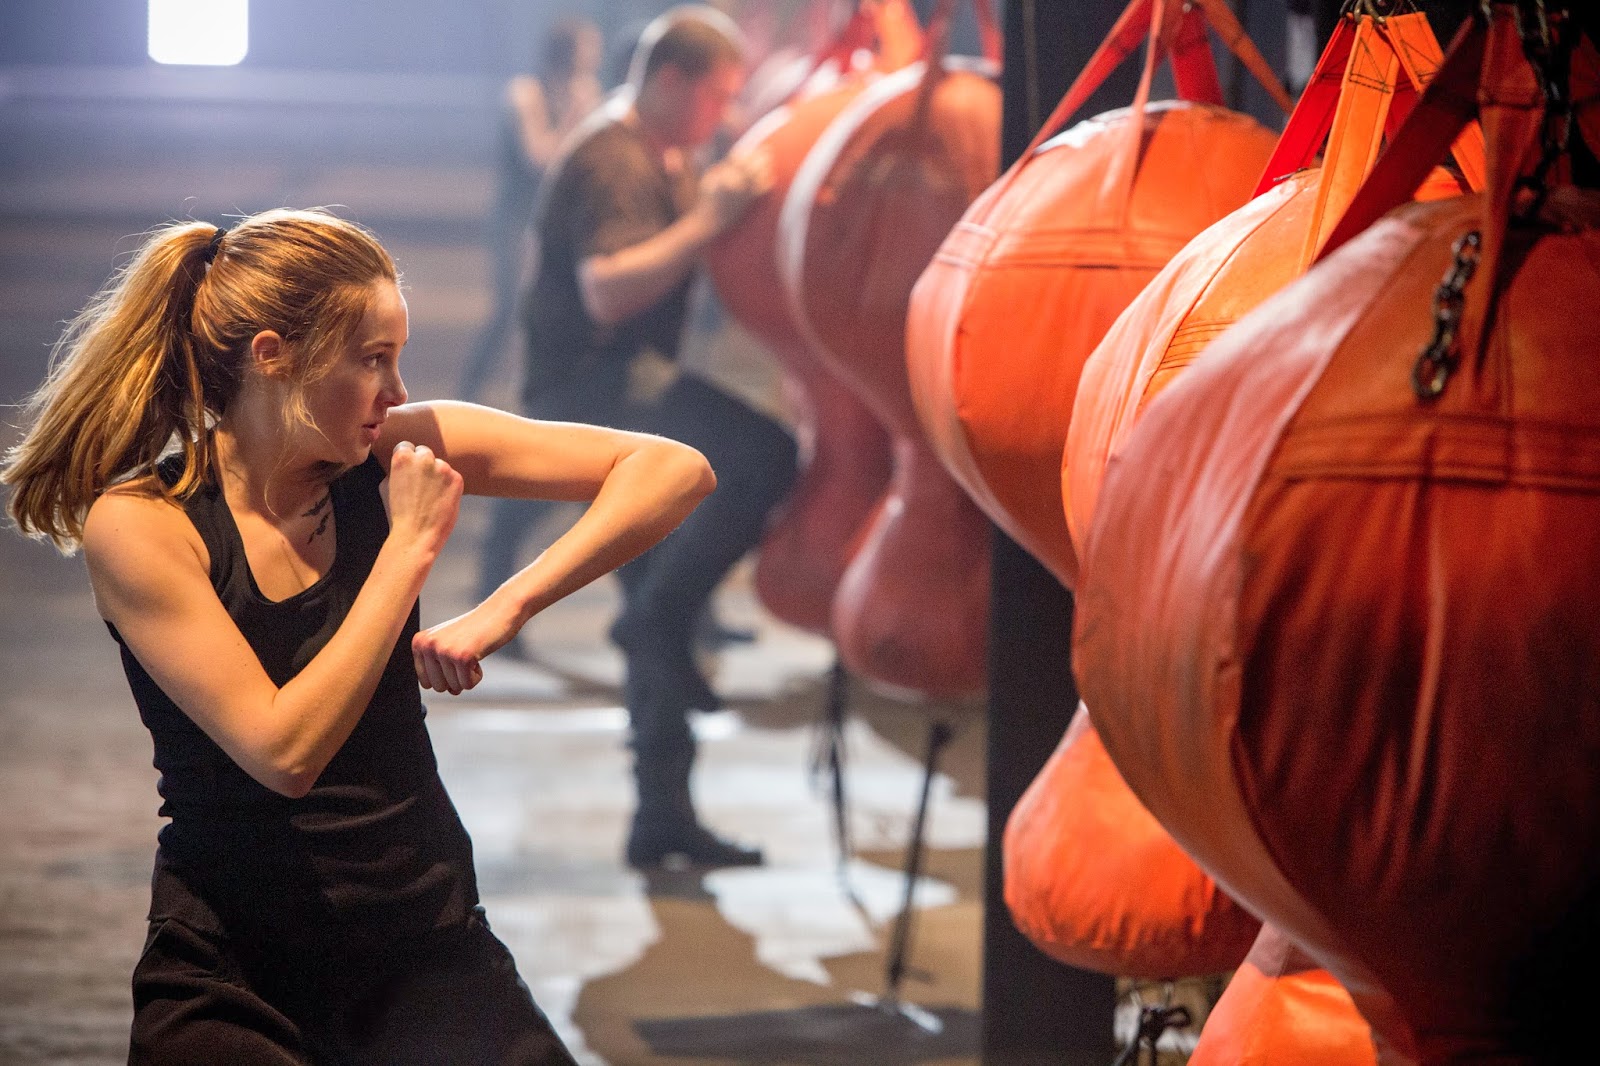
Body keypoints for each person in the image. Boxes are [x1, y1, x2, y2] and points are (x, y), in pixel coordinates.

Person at [0, 208, 717, 1064]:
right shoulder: (144, 524)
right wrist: (407, 549)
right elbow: (285, 752)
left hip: (427, 940)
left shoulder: (389, 451)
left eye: (398, 358)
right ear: (274, 356)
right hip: (237, 970)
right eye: (373, 359)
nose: (397, 391)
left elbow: (674, 469)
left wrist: (506, 608)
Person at [497, 4, 799, 870]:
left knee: (650, 605)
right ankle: (667, 613)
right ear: (671, 81)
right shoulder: (614, 158)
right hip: (595, 391)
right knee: (764, 453)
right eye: (719, 95)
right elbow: (607, 290)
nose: (726, 112)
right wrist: (711, 217)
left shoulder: (656, 148)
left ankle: (660, 817)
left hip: (624, 385)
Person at [457, 15, 604, 403]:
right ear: (567, 51)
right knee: (509, 310)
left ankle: (538, 398)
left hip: (552, 220)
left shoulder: (585, 92)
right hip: (514, 217)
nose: (595, 55)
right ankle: (466, 394)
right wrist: (575, 115)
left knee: (551, 311)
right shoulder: (526, 93)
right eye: (588, 47)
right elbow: (538, 156)